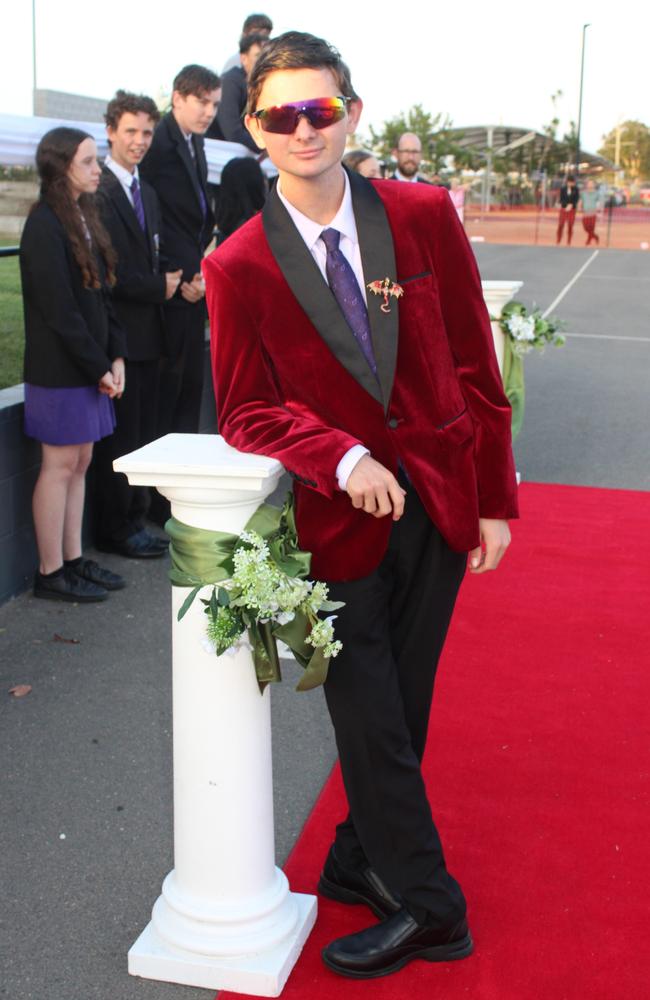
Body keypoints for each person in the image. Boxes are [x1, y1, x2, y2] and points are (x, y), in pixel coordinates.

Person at [203, 31, 518, 979]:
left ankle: (353, 855)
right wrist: (336, 457)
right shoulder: (240, 264)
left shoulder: (422, 216)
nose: (305, 128)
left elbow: (473, 359)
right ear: (254, 128)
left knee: (403, 711)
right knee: (370, 715)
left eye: (321, 109)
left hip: (438, 503)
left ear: (352, 111)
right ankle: (433, 909)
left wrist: (495, 498)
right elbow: (244, 409)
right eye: (281, 115)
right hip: (335, 528)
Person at [20, 126, 127, 602]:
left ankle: (72, 560)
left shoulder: (82, 217)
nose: (97, 169)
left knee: (80, 462)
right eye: (88, 161)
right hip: (60, 371)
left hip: (89, 367)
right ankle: (51, 572)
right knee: (59, 465)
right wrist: (97, 366)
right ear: (62, 166)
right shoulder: (44, 224)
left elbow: (104, 296)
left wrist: (116, 354)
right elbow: (58, 311)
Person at [93, 90, 181, 558]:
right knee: (121, 439)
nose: (140, 140)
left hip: (152, 335)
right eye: (131, 131)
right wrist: (157, 286)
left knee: (144, 435)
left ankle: (134, 518)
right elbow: (108, 273)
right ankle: (116, 528)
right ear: (111, 131)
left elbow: (153, 254)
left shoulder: (146, 191)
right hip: (120, 335)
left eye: (147, 131)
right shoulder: (100, 190)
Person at [140, 64, 220, 457]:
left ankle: (181, 480)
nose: (209, 112)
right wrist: (181, 275)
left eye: (215, 104)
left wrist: (201, 273)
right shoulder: (157, 144)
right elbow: (153, 218)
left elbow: (197, 218)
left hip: (193, 282)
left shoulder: (197, 142)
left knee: (190, 388)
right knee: (168, 392)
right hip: (169, 286)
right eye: (202, 102)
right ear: (177, 99)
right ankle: (158, 496)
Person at [207, 33, 267, 151]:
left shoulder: (264, 86)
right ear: (244, 59)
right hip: (217, 151)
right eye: (258, 55)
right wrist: (267, 148)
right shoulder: (230, 82)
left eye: (267, 56)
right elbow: (232, 132)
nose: (264, 61)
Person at [214, 156, 267, 244]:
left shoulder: (226, 229)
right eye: (262, 178)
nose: (265, 183)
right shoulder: (257, 229)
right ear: (254, 184)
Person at [556, 174, 579, 245]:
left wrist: (571, 205)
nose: (571, 184)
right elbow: (561, 199)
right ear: (567, 182)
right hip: (564, 209)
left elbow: (576, 200)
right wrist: (565, 205)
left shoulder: (576, 189)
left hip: (572, 210)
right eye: (569, 182)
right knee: (561, 224)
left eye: (572, 182)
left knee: (570, 225)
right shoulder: (563, 189)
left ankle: (569, 241)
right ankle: (558, 240)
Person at [580, 178, 602, 245]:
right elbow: (581, 201)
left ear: (594, 185)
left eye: (592, 184)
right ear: (586, 185)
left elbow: (599, 202)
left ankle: (588, 240)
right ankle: (595, 236)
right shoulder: (583, 193)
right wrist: (579, 207)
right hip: (585, 213)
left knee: (591, 228)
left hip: (593, 213)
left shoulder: (597, 193)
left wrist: (599, 210)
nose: (590, 185)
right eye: (589, 184)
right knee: (586, 228)